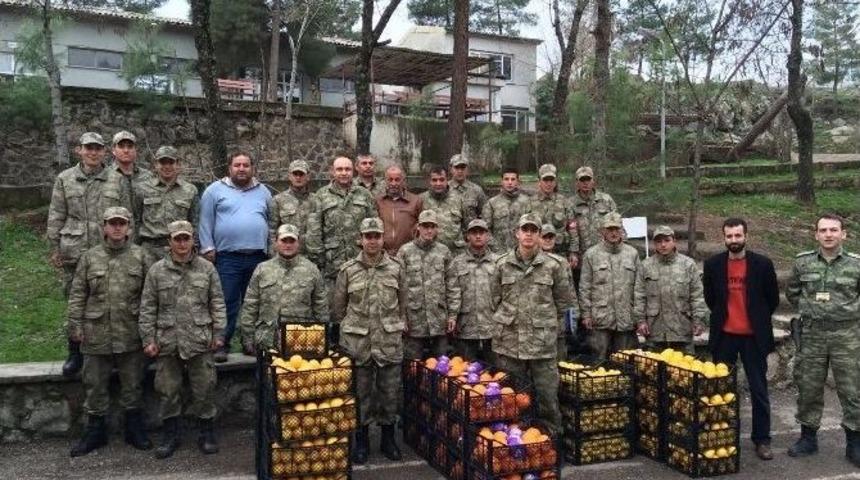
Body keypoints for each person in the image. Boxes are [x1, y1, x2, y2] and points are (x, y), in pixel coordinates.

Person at [66, 206, 150, 457]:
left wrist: (149, 333)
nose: (116, 227)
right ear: (104, 226)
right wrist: (75, 326)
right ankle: (95, 431)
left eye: (121, 223)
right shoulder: (90, 257)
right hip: (96, 332)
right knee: (94, 384)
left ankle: (134, 429)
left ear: (129, 227)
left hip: (130, 332)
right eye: (112, 223)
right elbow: (78, 293)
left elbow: (151, 297)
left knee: (133, 384)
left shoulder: (141, 257)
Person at [140, 220, 227, 459]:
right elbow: (147, 307)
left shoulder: (207, 269)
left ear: (192, 241)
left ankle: (206, 433)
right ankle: (171, 435)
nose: (181, 243)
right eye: (177, 239)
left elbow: (217, 302)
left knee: (205, 388)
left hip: (200, 339)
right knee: (168, 390)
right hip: (168, 340)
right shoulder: (157, 270)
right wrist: (148, 339)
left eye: (185, 238)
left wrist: (219, 333)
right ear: (169, 241)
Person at [785, 214, 860, 466]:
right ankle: (808, 438)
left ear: (843, 234)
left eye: (834, 230)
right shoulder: (802, 263)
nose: (828, 234)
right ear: (816, 234)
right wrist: (813, 311)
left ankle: (855, 443)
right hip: (812, 334)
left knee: (852, 389)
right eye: (823, 230)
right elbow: (793, 292)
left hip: (847, 335)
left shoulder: (856, 264)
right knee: (809, 386)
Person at [492, 213, 577, 436]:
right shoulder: (501, 265)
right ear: (517, 233)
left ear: (540, 236)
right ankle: (515, 444)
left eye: (534, 230)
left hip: (542, 344)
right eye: (525, 229)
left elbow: (563, 303)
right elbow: (494, 300)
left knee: (548, 397)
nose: (529, 234)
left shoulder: (554, 265)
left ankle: (552, 442)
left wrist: (543, 323)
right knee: (513, 399)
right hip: (511, 343)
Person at [703, 217, 779, 461]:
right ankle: (721, 436)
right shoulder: (713, 264)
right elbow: (710, 298)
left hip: (753, 338)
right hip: (724, 337)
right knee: (720, 389)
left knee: (758, 390)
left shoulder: (763, 264)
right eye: (729, 236)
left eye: (738, 235)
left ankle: (762, 440)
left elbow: (772, 299)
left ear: (746, 236)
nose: (733, 240)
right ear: (723, 237)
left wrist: (755, 319)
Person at [332, 217, 406, 464]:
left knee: (389, 393)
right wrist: (349, 331)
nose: (372, 240)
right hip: (358, 343)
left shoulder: (396, 268)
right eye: (368, 236)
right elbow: (338, 309)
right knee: (359, 394)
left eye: (376, 236)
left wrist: (396, 327)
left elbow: (403, 304)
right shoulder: (348, 270)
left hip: (388, 341)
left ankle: (388, 439)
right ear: (360, 239)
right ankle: (361, 441)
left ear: (383, 238)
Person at [47, 132, 111, 377]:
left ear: (104, 151)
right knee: (76, 304)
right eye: (88, 148)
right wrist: (54, 247)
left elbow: (127, 216)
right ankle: (75, 352)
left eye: (97, 148)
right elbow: (56, 214)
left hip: (105, 252)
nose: (93, 152)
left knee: (107, 301)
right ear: (79, 150)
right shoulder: (65, 179)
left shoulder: (114, 179)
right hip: (74, 251)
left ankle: (105, 352)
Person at [198, 151, 271, 362]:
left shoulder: (263, 191)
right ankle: (222, 342)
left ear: (252, 168)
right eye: (237, 165)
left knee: (254, 303)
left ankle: (251, 342)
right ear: (229, 168)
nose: (241, 169)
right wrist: (207, 248)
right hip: (227, 257)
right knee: (226, 301)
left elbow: (271, 220)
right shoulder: (214, 191)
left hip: (258, 257)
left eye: (245, 165)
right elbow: (205, 221)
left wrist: (270, 250)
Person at [240, 224, 328, 354]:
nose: (288, 245)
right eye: (284, 240)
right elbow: (250, 305)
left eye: (292, 241)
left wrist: (322, 337)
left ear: (298, 243)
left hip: (301, 340)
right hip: (267, 340)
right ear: (276, 243)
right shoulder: (262, 269)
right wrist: (248, 337)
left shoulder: (311, 270)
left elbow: (320, 307)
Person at [305, 156, 376, 290]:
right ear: (332, 171)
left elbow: (374, 226)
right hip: (332, 264)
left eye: (347, 169)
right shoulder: (321, 195)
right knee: (333, 307)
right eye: (339, 169)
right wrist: (320, 259)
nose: (344, 173)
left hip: (360, 261)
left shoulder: (364, 194)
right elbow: (314, 231)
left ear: (353, 171)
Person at [398, 210, 461, 359]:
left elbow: (452, 285)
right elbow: (397, 288)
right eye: (425, 226)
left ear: (437, 228)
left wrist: (452, 315)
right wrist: (401, 317)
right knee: (413, 366)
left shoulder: (444, 252)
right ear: (418, 227)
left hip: (439, 320)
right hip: (414, 322)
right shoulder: (405, 251)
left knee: (441, 366)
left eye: (432, 226)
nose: (429, 230)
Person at [634, 226, 708, 353]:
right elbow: (639, 295)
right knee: (653, 370)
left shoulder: (688, 264)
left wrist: (699, 320)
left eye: (667, 240)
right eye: (659, 241)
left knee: (684, 370)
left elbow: (697, 296)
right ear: (654, 244)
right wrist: (640, 321)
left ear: (674, 241)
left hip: (682, 329)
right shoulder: (645, 266)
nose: (663, 245)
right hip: (654, 331)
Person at [580, 212, 641, 359]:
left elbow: (640, 289)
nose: (614, 233)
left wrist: (639, 317)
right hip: (600, 318)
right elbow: (585, 287)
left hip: (626, 317)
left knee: (626, 361)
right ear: (603, 231)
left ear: (622, 230)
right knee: (598, 361)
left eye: (617, 229)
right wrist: (586, 314)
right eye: (609, 229)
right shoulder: (591, 254)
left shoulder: (632, 254)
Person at [133, 146, 199, 267]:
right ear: (155, 165)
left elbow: (195, 222)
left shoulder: (190, 190)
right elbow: (136, 220)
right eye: (162, 162)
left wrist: (194, 248)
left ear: (178, 164)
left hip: (180, 248)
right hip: (149, 249)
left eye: (171, 162)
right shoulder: (142, 189)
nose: (167, 166)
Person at [451, 219, 499, 362]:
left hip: (493, 326)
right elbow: (452, 291)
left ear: (488, 236)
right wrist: (453, 316)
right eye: (474, 233)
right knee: (464, 372)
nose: (478, 236)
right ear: (467, 236)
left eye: (481, 232)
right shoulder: (457, 263)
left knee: (497, 373)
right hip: (466, 327)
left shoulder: (499, 262)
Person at [569, 166, 617, 273]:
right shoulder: (571, 204)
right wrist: (574, 252)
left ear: (593, 181)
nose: (585, 183)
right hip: (583, 256)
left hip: (605, 253)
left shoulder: (606, 200)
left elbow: (617, 225)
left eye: (588, 179)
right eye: (582, 180)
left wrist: (621, 247)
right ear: (577, 183)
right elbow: (572, 231)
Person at [540, 223, 577, 361]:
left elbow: (570, 292)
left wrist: (573, 317)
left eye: (551, 237)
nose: (548, 240)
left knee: (561, 360)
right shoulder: (530, 262)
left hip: (559, 321)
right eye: (545, 237)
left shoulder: (562, 263)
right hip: (539, 323)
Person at [419, 165, 469, 255]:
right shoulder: (420, 200)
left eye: (442, 180)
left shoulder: (460, 199)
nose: (438, 183)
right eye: (434, 180)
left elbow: (467, 227)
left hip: (455, 253)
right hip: (429, 254)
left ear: (447, 180)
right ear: (428, 181)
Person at [528, 164, 574, 261]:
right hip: (536, 255)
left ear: (555, 182)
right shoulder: (529, 203)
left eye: (551, 180)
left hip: (560, 254)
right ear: (539, 182)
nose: (549, 184)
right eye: (545, 180)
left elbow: (573, 229)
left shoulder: (564, 202)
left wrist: (573, 252)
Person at [375, 164, 423, 255]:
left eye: (397, 180)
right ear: (385, 181)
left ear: (403, 181)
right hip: (383, 254)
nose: (393, 183)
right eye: (390, 180)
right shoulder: (378, 201)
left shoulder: (416, 201)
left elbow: (422, 227)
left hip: (409, 253)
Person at [102, 130, 153, 216]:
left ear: (136, 150)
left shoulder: (148, 177)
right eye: (121, 147)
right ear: (113, 150)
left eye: (130, 147)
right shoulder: (104, 176)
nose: (126, 150)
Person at [483, 167, 530, 253]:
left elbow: (530, 228)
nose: (510, 182)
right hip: (497, 253)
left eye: (513, 179)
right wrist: (496, 249)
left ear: (518, 182)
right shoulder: (492, 203)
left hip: (521, 252)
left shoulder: (526, 202)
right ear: (501, 181)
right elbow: (485, 230)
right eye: (506, 179)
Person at [268, 160, 314, 247]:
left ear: (308, 176)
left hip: (311, 255)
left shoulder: (316, 200)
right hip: (288, 253)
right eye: (295, 174)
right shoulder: (278, 201)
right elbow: (272, 232)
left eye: (301, 174)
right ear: (289, 176)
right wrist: (274, 254)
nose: (298, 177)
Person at [448, 154, 486, 222]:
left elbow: (484, 214)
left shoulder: (477, 190)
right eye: (456, 168)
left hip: (470, 231)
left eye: (463, 168)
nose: (460, 171)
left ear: (467, 170)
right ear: (451, 169)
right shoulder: (445, 189)